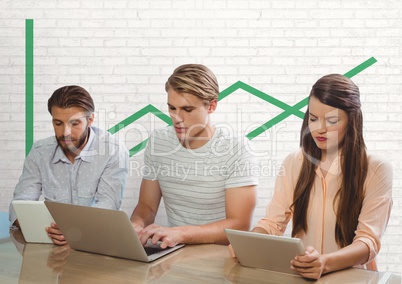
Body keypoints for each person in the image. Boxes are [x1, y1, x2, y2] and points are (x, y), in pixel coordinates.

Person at [240, 74, 393, 279]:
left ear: (352, 120)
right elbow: (273, 223)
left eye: (331, 120)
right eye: (313, 118)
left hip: (351, 278)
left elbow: (368, 242)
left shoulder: (376, 168)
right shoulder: (294, 162)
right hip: (303, 276)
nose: (319, 128)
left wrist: (325, 263)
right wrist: (248, 243)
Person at [130, 64, 258, 249]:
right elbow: (146, 206)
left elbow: (239, 225)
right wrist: (136, 224)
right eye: (172, 108)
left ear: (212, 106)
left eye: (187, 110)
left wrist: (180, 233)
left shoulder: (237, 148)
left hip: (221, 256)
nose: (177, 118)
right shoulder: (158, 141)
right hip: (173, 251)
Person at [9, 85, 129, 245]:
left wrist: (74, 230)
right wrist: (48, 228)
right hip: (50, 241)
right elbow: (19, 206)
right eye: (58, 123)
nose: (65, 132)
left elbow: (108, 206)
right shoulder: (40, 152)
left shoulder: (112, 150)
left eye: (74, 124)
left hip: (96, 243)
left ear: (90, 120)